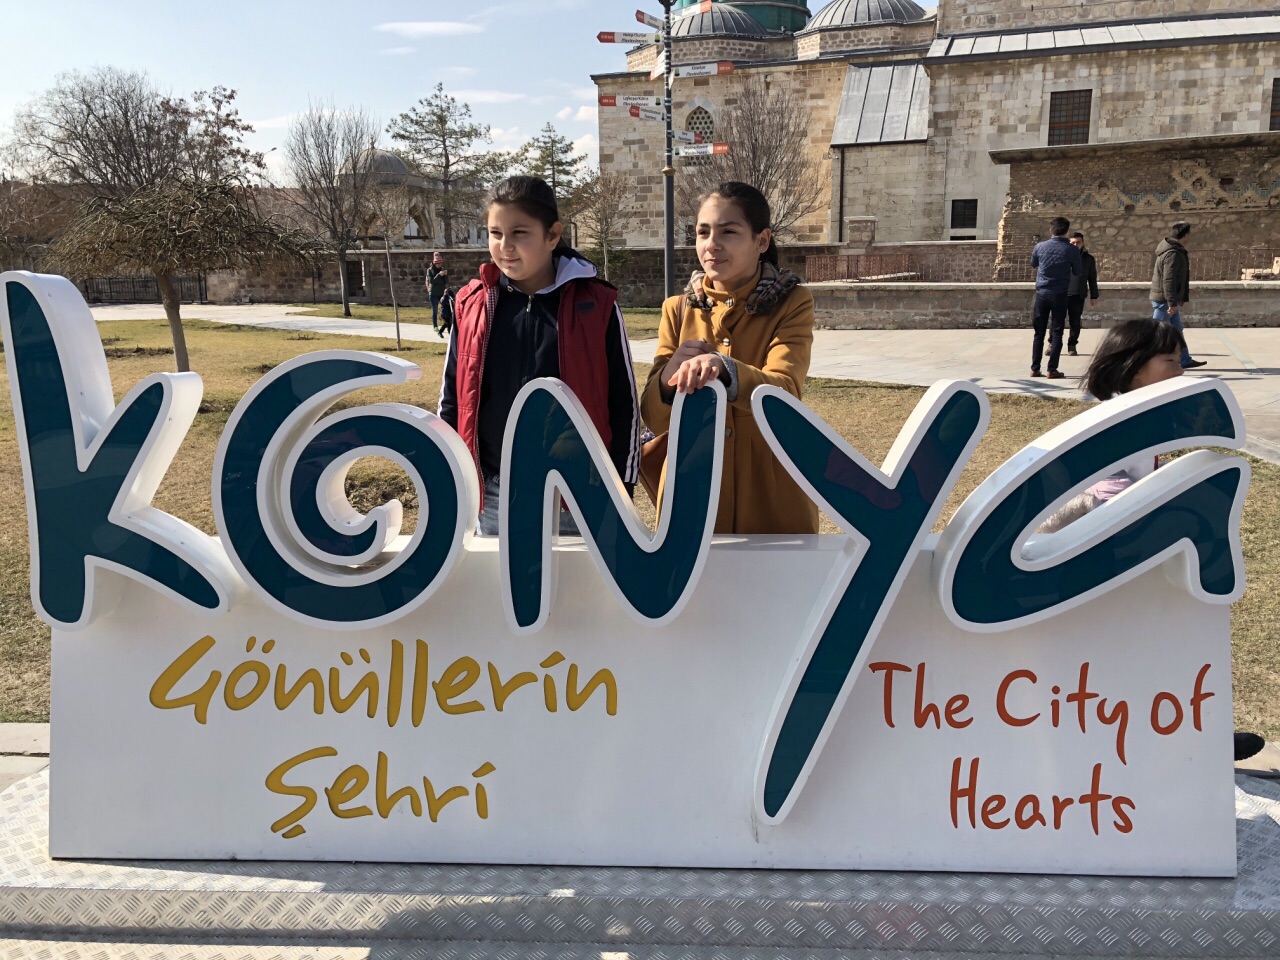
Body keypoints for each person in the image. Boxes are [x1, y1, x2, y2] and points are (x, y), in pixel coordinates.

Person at [1036, 316, 1260, 763]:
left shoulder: (1139, 414)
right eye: (1170, 361)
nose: (1181, 369)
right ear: (1136, 369)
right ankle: (1172, 738)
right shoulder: (1118, 420)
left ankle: (1192, 732)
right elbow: (1108, 490)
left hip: (1122, 542)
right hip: (1104, 547)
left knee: (1158, 642)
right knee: (1135, 645)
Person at [437, 176, 640, 536]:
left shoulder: (596, 305)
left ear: (552, 235)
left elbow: (624, 404)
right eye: (495, 233)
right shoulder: (472, 305)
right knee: (500, 576)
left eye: (519, 233)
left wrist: (620, 487)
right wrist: (454, 477)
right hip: (495, 494)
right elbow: (452, 400)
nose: (505, 246)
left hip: (580, 494)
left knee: (578, 576)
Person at [641, 181, 818, 535]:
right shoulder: (677, 309)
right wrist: (667, 379)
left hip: (770, 490)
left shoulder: (792, 302)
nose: (711, 244)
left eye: (728, 232)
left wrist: (727, 369)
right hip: (692, 492)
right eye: (703, 232)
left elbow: (785, 391)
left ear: (762, 241)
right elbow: (654, 418)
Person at [1028, 216, 1082, 379]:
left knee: (1039, 332)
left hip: (1042, 293)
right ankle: (1052, 369)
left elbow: (1033, 263)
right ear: (1066, 231)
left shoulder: (1040, 246)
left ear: (1051, 230)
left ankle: (1035, 368)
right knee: (1057, 332)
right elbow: (1078, 272)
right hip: (1060, 294)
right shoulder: (1072, 250)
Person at [1151, 221, 1207, 369]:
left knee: (1177, 330)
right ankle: (1145, 361)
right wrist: (1171, 302)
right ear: (1185, 235)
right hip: (1164, 300)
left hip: (1169, 299)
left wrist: (1179, 298)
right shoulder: (1173, 254)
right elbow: (1168, 280)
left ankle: (1185, 359)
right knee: (1156, 333)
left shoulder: (1174, 251)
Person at [1066, 231, 1099, 357]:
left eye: (1078, 242)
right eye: (1073, 243)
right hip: (1062, 294)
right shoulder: (1063, 256)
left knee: (1075, 322)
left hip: (1078, 295)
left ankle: (1072, 345)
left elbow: (1092, 278)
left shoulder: (1088, 259)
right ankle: (1052, 343)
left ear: (1083, 243)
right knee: (1057, 321)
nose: (1075, 245)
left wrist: (1094, 296)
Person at [426, 252, 448, 333]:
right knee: (435, 310)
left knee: (445, 308)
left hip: (441, 292)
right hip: (433, 293)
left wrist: (445, 275)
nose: (440, 265)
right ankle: (435, 326)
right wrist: (439, 275)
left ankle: (446, 324)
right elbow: (432, 281)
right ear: (435, 263)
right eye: (439, 264)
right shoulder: (429, 270)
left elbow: (446, 281)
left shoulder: (442, 269)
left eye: (441, 263)